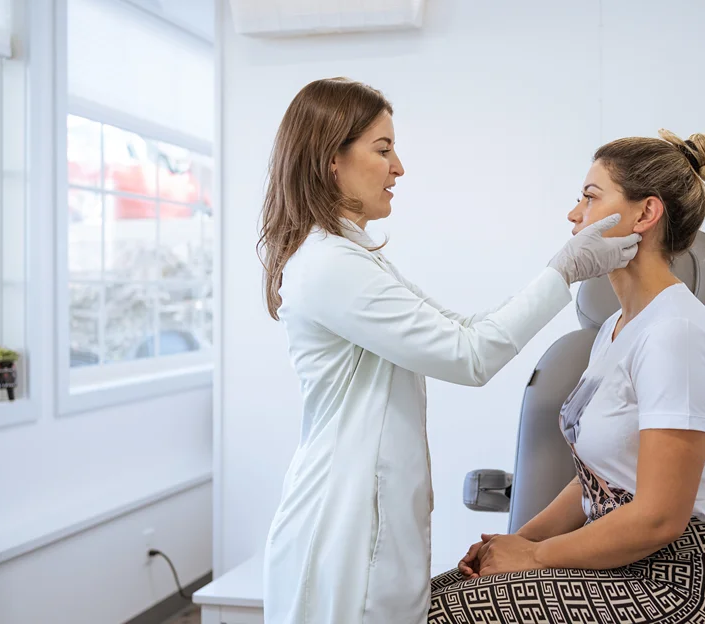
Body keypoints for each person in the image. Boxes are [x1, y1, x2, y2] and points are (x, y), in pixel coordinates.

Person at [257, 77, 640, 624]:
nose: (399, 168)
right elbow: (470, 355)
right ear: (330, 162)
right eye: (383, 150)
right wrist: (563, 271)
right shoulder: (330, 266)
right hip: (342, 524)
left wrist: (561, 271)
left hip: (363, 514)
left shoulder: (351, 258)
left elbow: (462, 328)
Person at [431, 129, 705, 623]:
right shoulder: (615, 328)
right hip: (619, 564)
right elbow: (594, 485)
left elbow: (659, 517)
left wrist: (535, 557)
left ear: (645, 214)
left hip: (684, 585)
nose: (573, 215)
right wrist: (519, 540)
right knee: (423, 599)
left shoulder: (677, 333)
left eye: (589, 197)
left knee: (441, 615)